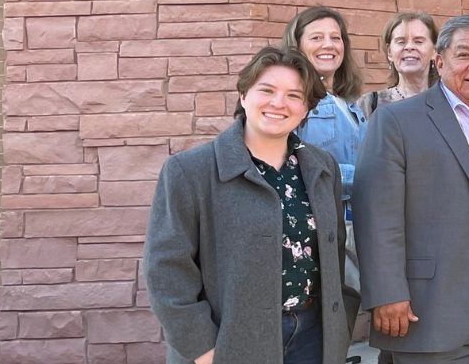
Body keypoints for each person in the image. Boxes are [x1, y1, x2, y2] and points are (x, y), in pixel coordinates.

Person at [356, 15, 469, 363]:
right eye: (464, 54)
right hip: (430, 305)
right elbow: (376, 214)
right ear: (439, 62)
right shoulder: (397, 121)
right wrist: (386, 293)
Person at [146, 47, 348, 364]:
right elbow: (166, 271)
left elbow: (333, 255)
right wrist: (202, 348)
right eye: (266, 90)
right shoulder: (189, 171)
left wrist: (340, 328)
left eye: (294, 95)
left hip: (312, 339)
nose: (278, 103)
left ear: (306, 107)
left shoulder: (323, 168)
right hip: (229, 344)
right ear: (243, 95)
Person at [283, 6, 367, 202]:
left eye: (335, 38)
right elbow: (292, 165)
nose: (328, 45)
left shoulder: (349, 104)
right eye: (316, 38)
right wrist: (369, 176)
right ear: (297, 46)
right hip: (320, 215)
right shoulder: (294, 100)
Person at [362, 11, 439, 118]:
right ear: (389, 52)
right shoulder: (369, 104)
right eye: (401, 42)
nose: (409, 47)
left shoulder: (449, 104)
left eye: (418, 41)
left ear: (434, 51)